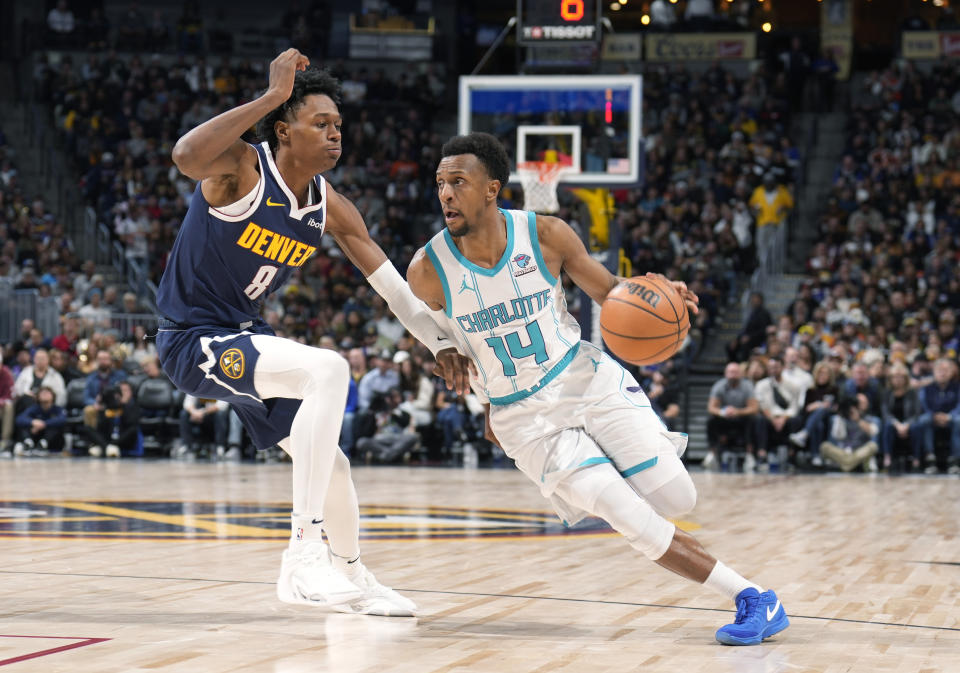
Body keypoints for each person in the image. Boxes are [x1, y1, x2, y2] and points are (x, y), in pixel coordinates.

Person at [407, 132, 789, 645]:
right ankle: (754, 597)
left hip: (584, 378)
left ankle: (610, 476)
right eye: (440, 184)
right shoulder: (428, 270)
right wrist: (441, 355)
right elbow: (437, 341)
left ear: (492, 188)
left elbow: (610, 292)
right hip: (525, 418)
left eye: (458, 182)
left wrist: (653, 292)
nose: (446, 194)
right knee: (626, 515)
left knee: (678, 497)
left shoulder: (546, 235)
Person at [155, 50, 469, 618]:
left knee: (332, 466)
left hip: (245, 338)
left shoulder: (331, 207)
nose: (334, 134)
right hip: (192, 340)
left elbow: (395, 290)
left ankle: (352, 577)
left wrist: (440, 341)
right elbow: (184, 155)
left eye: (338, 126)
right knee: (328, 368)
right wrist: (272, 95)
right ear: (284, 130)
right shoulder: (242, 170)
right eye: (320, 123)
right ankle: (303, 552)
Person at [704, 362, 759, 471]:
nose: (733, 375)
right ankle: (712, 453)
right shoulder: (719, 386)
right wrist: (723, 412)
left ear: (740, 374)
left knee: (754, 420)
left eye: (735, 372)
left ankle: (750, 454)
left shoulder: (747, 386)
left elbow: (754, 408)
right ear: (725, 373)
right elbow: (711, 407)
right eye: (730, 372)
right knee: (711, 420)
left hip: (741, 418)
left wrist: (737, 411)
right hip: (725, 419)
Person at [914, 358, 960, 474]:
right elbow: (923, 406)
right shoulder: (926, 388)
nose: (942, 373)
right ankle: (930, 458)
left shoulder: (957, 387)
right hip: (932, 418)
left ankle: (954, 459)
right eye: (939, 370)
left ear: (951, 372)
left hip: (951, 418)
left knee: (959, 421)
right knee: (924, 420)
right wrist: (934, 415)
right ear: (934, 372)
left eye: (945, 370)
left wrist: (949, 416)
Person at [80, 381, 141, 458]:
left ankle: (105, 447)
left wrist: (123, 405)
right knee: (87, 429)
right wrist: (102, 405)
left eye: (125, 391)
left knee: (133, 430)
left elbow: (131, 426)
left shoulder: (133, 406)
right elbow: (101, 426)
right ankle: (107, 447)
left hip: (122, 439)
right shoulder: (109, 405)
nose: (122, 393)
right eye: (120, 391)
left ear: (131, 393)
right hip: (108, 437)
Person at [13, 386, 67, 456]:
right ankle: (28, 444)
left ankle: (42, 445)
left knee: (56, 426)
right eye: (42, 393)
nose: (45, 394)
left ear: (53, 396)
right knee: (24, 425)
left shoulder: (58, 409)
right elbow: (19, 419)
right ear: (38, 397)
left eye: (47, 393)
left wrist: (44, 424)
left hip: (52, 440)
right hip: (35, 435)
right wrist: (32, 422)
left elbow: (62, 419)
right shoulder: (34, 408)